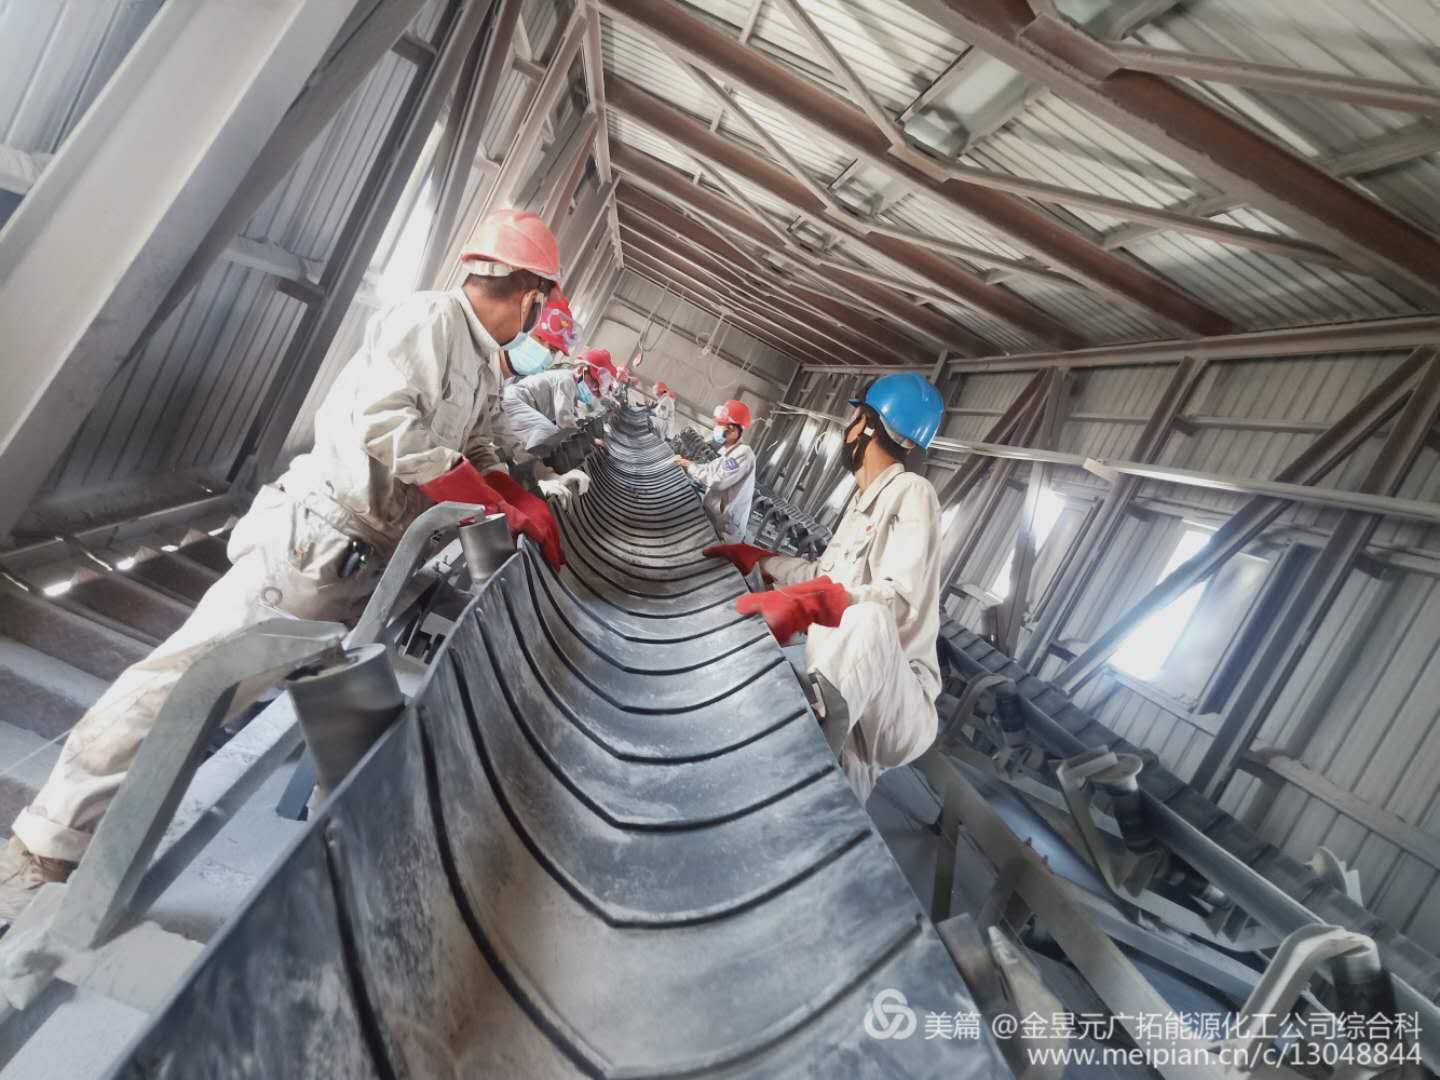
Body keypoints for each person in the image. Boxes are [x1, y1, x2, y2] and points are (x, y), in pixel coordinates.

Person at [0, 208, 570, 919]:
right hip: (317, 541)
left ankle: (227, 850)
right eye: (541, 305)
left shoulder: (481, 361)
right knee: (190, 684)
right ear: (531, 294)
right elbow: (388, 424)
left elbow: (477, 441)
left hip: (364, 563)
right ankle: (45, 843)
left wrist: (511, 493)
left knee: (262, 696)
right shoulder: (430, 322)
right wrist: (477, 499)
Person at [704, 373, 945, 802]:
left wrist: (815, 601)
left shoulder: (913, 493)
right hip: (845, 697)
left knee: (870, 619)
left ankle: (787, 751)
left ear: (867, 425)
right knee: (828, 800)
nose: (848, 428)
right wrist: (760, 559)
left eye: (855, 418)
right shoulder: (861, 502)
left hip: (896, 699)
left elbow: (898, 603)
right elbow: (824, 576)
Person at [676, 399, 756, 543]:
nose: (716, 429)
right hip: (715, 519)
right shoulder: (729, 453)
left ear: (732, 429)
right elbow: (709, 469)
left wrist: (691, 467)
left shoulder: (743, 454)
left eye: (719, 425)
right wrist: (686, 464)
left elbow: (718, 481)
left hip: (725, 530)